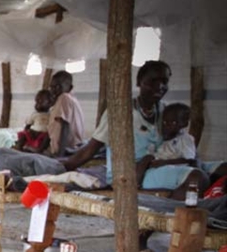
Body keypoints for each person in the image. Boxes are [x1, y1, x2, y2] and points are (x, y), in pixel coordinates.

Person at [63, 60, 207, 200]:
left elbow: (183, 141)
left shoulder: (165, 111)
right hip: (130, 173)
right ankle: (165, 214)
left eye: (164, 81)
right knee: (197, 178)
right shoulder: (120, 111)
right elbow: (92, 148)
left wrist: (193, 160)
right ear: (139, 82)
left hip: (158, 165)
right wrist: (63, 168)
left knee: (218, 169)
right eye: (153, 81)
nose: (160, 86)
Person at [47, 70, 86, 156]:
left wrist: (60, 155)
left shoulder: (64, 97)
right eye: (52, 87)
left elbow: (65, 126)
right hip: (70, 148)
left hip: (66, 149)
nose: (54, 90)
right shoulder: (72, 99)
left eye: (58, 86)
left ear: (70, 87)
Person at [15, 89, 53, 155]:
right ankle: (19, 146)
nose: (37, 104)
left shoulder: (51, 114)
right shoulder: (34, 114)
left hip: (43, 135)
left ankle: (39, 150)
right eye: (36, 102)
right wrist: (26, 132)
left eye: (40, 102)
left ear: (49, 103)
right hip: (33, 133)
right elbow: (28, 125)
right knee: (23, 135)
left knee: (48, 137)